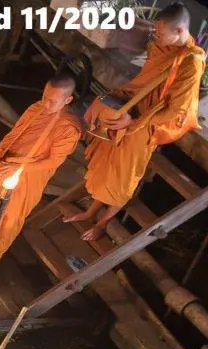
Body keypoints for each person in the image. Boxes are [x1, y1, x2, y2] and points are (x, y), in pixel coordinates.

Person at [66, 3, 205, 241]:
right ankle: (90, 211)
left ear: (180, 31)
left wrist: (134, 122)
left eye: (160, 33)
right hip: (129, 110)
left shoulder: (191, 63)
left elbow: (176, 110)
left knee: (123, 177)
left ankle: (103, 222)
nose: (156, 37)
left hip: (144, 125)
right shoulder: (162, 47)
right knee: (106, 165)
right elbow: (143, 82)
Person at [0, 72, 82, 265]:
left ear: (67, 100)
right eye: (45, 97)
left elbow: (53, 161)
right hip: (5, 163)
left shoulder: (68, 128)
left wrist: (20, 166)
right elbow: (14, 136)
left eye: (53, 101)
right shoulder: (36, 108)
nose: (46, 104)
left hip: (27, 176)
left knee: (7, 218)